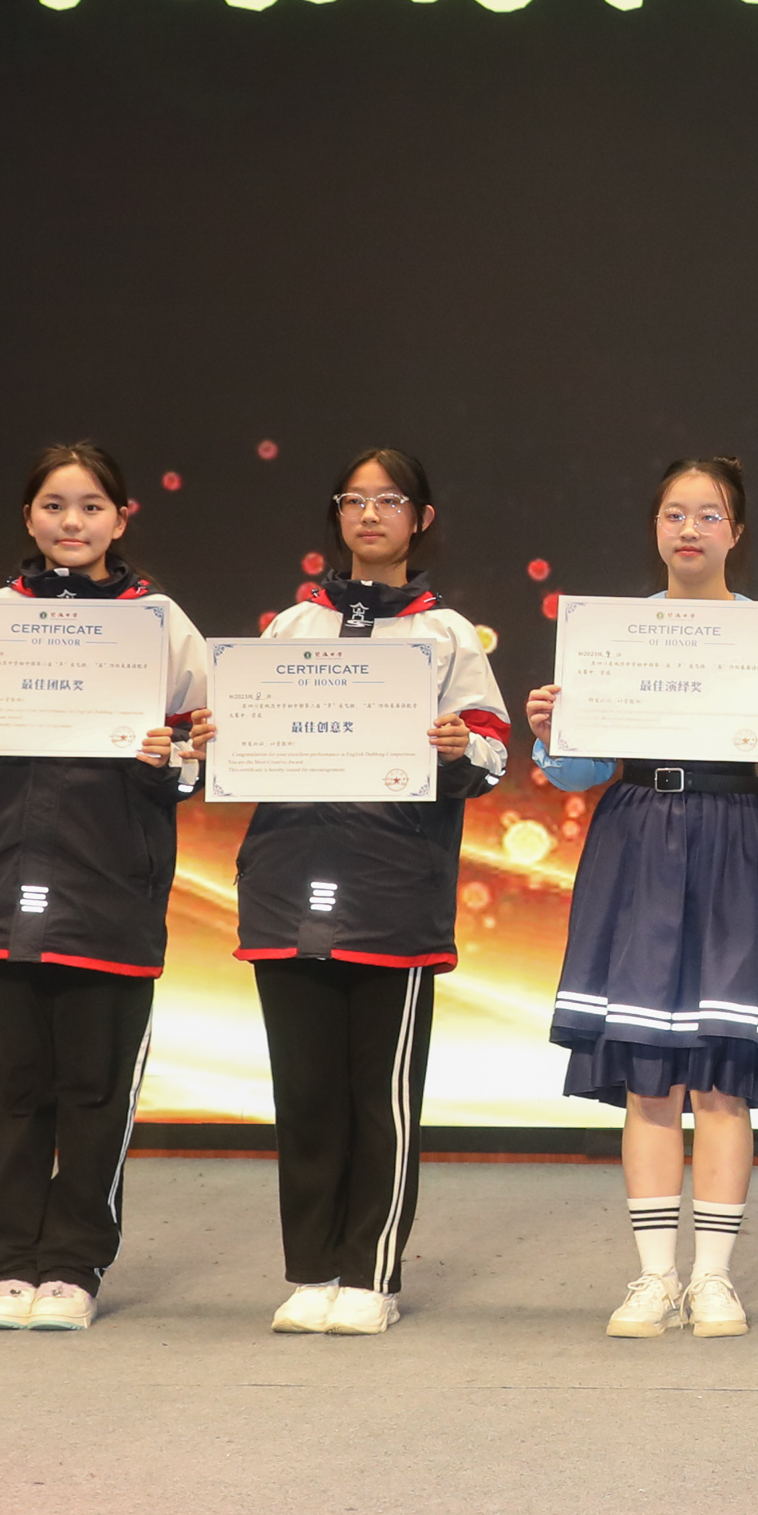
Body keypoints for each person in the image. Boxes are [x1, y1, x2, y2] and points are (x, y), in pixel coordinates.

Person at [527, 456, 758, 1342]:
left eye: (708, 515)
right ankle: (654, 1277)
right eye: (674, 514)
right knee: (650, 1077)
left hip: (741, 841)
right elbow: (581, 770)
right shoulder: (613, 635)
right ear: (655, 529)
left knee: (723, 1076)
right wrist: (553, 733)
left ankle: (713, 1280)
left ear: (736, 533)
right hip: (640, 838)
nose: (689, 529)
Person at [0, 441, 213, 1335]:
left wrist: (173, 756)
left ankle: (75, 1265)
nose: (71, 522)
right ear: (28, 516)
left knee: (95, 1087)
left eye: (90, 506)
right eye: (54, 505)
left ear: (121, 518)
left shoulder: (161, 622)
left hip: (111, 885)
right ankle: (12, 1263)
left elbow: (205, 749)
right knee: (9, 1086)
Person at [222, 446, 512, 1337]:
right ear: (337, 515)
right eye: (354, 499)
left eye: (389, 500)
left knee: (381, 1098)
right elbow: (238, 737)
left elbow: (493, 753)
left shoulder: (448, 633)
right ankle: (311, 1271)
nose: (370, 514)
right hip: (286, 882)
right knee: (305, 1093)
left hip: (394, 891)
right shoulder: (289, 627)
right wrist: (213, 736)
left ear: (420, 519)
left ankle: (372, 1274)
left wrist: (461, 748)